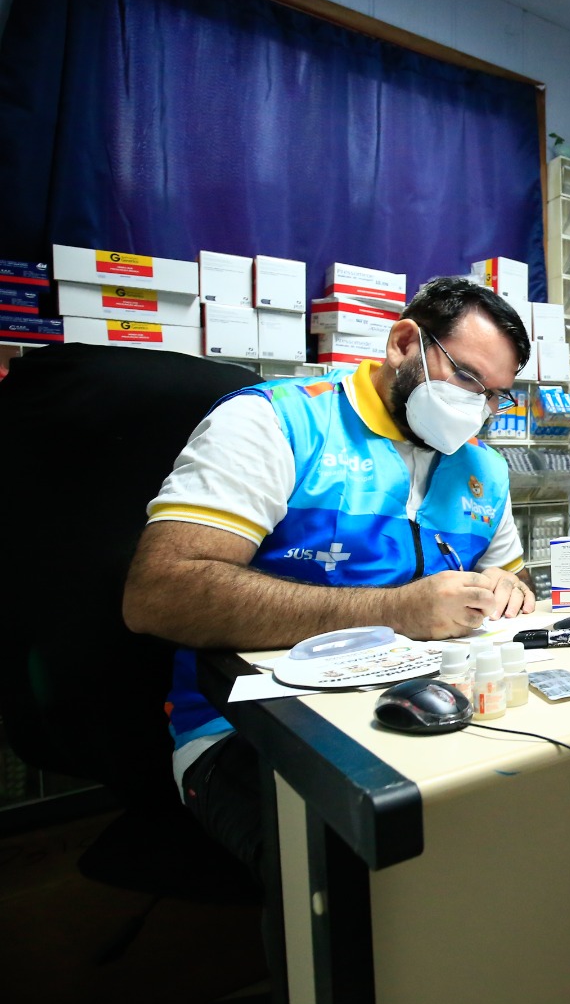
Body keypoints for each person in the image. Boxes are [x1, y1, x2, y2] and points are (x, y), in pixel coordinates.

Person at [123, 275, 537, 875]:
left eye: (496, 395)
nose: (479, 408)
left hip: (431, 706)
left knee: (529, 798)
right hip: (250, 728)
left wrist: (508, 590)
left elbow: (517, 589)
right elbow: (160, 593)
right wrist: (396, 611)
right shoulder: (277, 421)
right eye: (467, 379)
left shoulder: (484, 469)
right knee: (368, 860)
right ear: (403, 343)